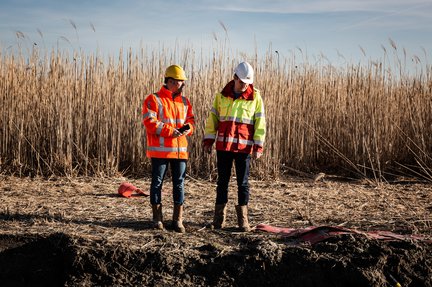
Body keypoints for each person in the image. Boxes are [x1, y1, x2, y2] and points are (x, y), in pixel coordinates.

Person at [203, 61, 266, 232]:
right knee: (222, 182)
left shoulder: (255, 97)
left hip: (243, 148)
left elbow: (260, 122)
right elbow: (213, 119)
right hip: (223, 147)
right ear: (235, 78)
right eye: (241, 82)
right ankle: (218, 220)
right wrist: (208, 140)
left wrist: (258, 146)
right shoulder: (221, 96)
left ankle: (243, 221)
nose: (244, 86)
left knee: (243, 183)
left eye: (247, 83)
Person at [142, 64, 195, 233]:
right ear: (170, 81)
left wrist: (188, 128)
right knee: (157, 182)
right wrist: (172, 132)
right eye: (180, 81)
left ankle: (177, 220)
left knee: (179, 184)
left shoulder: (185, 102)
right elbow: (150, 123)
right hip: (161, 151)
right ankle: (157, 219)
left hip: (180, 152)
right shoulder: (153, 99)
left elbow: (191, 121)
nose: (183, 84)